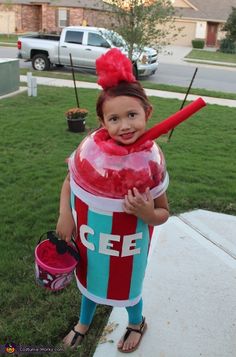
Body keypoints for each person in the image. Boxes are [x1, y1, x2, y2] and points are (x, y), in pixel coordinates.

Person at [56, 48, 169, 353]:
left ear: (147, 113)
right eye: (114, 119)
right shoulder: (92, 153)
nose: (124, 126)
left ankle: (136, 322)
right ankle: (83, 323)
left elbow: (164, 213)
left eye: (132, 115)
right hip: (92, 240)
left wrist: (147, 212)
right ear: (102, 122)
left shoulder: (150, 162)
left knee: (130, 291)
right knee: (91, 281)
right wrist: (65, 213)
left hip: (128, 249)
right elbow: (71, 180)